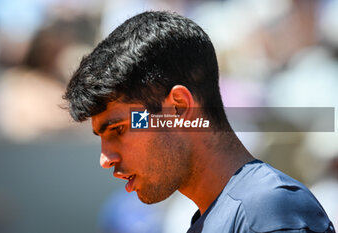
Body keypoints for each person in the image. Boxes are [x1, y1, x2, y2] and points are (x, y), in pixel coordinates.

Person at [63, 11, 336, 233]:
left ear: (179, 108)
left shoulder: (269, 209)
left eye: (118, 129)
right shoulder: (231, 213)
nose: (105, 159)